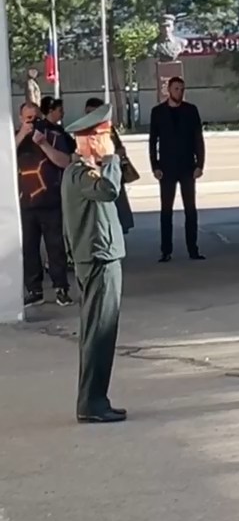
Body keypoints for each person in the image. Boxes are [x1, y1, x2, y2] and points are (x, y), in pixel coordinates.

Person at [61, 102, 128, 423]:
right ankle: (91, 402)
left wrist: (108, 160)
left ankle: (96, 398)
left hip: (101, 256)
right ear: (89, 140)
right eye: (103, 137)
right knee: (98, 333)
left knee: (102, 332)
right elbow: (110, 190)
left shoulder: (86, 172)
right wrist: (111, 158)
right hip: (98, 258)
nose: (108, 143)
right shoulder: (82, 175)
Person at [16, 101, 74, 307]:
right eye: (28, 118)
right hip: (25, 202)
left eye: (36, 118)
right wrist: (22, 134)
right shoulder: (16, 138)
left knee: (55, 246)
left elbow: (64, 161)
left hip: (50, 201)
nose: (33, 122)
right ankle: (34, 289)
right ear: (21, 119)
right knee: (29, 248)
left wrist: (43, 144)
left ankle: (61, 287)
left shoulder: (54, 136)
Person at [148, 76, 206, 262]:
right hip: (166, 168)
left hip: (188, 166)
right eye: (176, 89)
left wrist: (200, 165)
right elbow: (152, 141)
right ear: (168, 90)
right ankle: (166, 250)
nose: (179, 92)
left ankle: (193, 249)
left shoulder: (191, 111)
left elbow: (198, 139)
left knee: (190, 209)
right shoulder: (157, 112)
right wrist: (154, 165)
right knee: (166, 210)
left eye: (181, 89)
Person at [85, 98, 135, 234]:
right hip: (94, 175)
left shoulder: (108, 129)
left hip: (111, 173)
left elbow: (120, 149)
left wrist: (111, 155)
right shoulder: (84, 131)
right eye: (89, 113)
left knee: (117, 209)